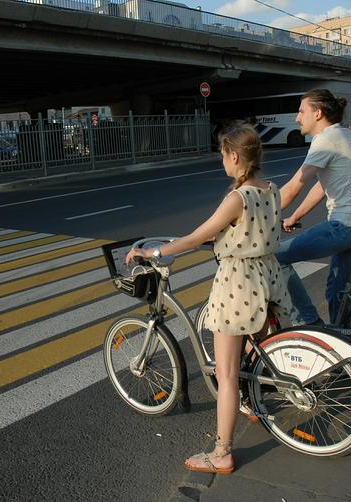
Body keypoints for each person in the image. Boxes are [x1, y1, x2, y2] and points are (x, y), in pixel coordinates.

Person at [125, 124, 292, 475]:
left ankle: (221, 451)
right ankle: (250, 401)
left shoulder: (237, 197)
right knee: (253, 351)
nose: (222, 161)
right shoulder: (272, 189)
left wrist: (150, 251)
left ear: (233, 156)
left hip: (238, 284)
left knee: (227, 374)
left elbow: (196, 237)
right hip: (269, 277)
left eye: (222, 155)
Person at [276, 89, 351, 325]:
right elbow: (321, 188)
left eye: (301, 111)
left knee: (274, 257)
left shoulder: (326, 140)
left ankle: (310, 325)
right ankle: (342, 339)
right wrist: (294, 216)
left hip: (347, 226)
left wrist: (255, 214)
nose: (297, 118)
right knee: (336, 291)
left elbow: (294, 187)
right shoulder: (343, 134)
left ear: (318, 113)